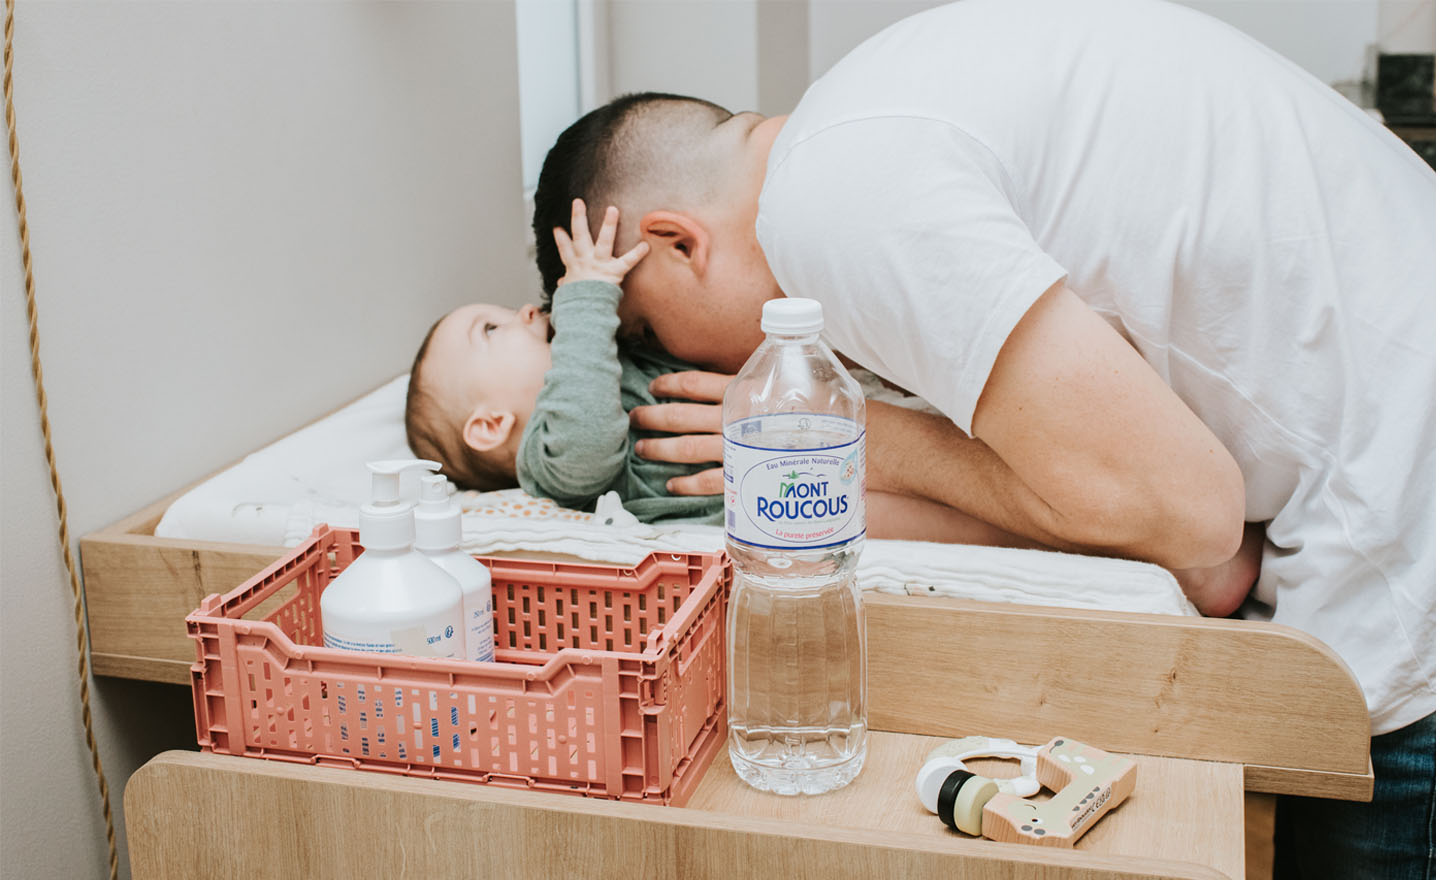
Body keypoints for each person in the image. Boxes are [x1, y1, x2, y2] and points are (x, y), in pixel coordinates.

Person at [529, 0, 1435, 875]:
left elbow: (1197, 527)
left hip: (1402, 512)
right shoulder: (870, 113)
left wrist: (863, 440)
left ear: (677, 242)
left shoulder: (838, 208)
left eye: (647, 337)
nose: (675, 366)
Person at [405, 199, 1026, 540]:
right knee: (910, 518)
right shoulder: (547, 463)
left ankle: (1020, 495)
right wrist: (586, 299)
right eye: (490, 330)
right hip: (751, 504)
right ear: (489, 424)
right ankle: (1025, 533)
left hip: (796, 438)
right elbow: (592, 442)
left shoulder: (606, 361)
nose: (520, 312)